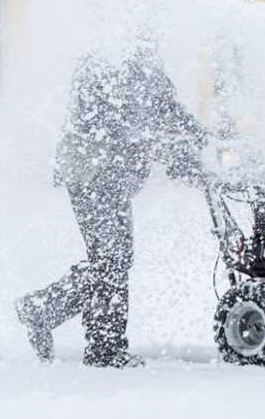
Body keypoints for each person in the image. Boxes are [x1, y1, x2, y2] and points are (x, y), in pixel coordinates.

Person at [14, 44, 207, 368]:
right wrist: (163, 148)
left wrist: (204, 141)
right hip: (90, 173)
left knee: (113, 260)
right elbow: (108, 119)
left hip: (112, 177)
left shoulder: (145, 65)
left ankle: (49, 313)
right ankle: (98, 344)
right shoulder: (101, 62)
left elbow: (167, 110)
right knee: (112, 259)